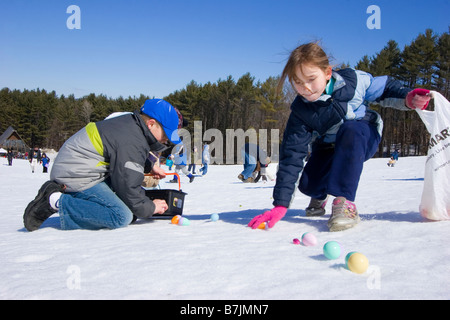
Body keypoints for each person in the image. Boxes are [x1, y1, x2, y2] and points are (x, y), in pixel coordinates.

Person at [248, 42, 431, 232]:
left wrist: (408, 98)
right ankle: (320, 194)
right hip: (328, 147)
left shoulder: (353, 81)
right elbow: (292, 155)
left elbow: (384, 88)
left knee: (350, 130)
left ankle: (344, 202)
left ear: (327, 73)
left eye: (311, 79)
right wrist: (280, 204)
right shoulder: (301, 111)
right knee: (309, 185)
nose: (306, 88)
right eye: (298, 82)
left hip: (361, 136)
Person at [23, 99, 182, 231]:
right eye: (166, 134)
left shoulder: (131, 127)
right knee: (121, 216)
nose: (166, 140)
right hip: (75, 174)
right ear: (151, 124)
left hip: (81, 168)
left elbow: (124, 158)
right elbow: (128, 186)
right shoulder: (132, 140)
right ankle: (56, 201)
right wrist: (150, 208)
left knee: (130, 207)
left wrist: (150, 166)